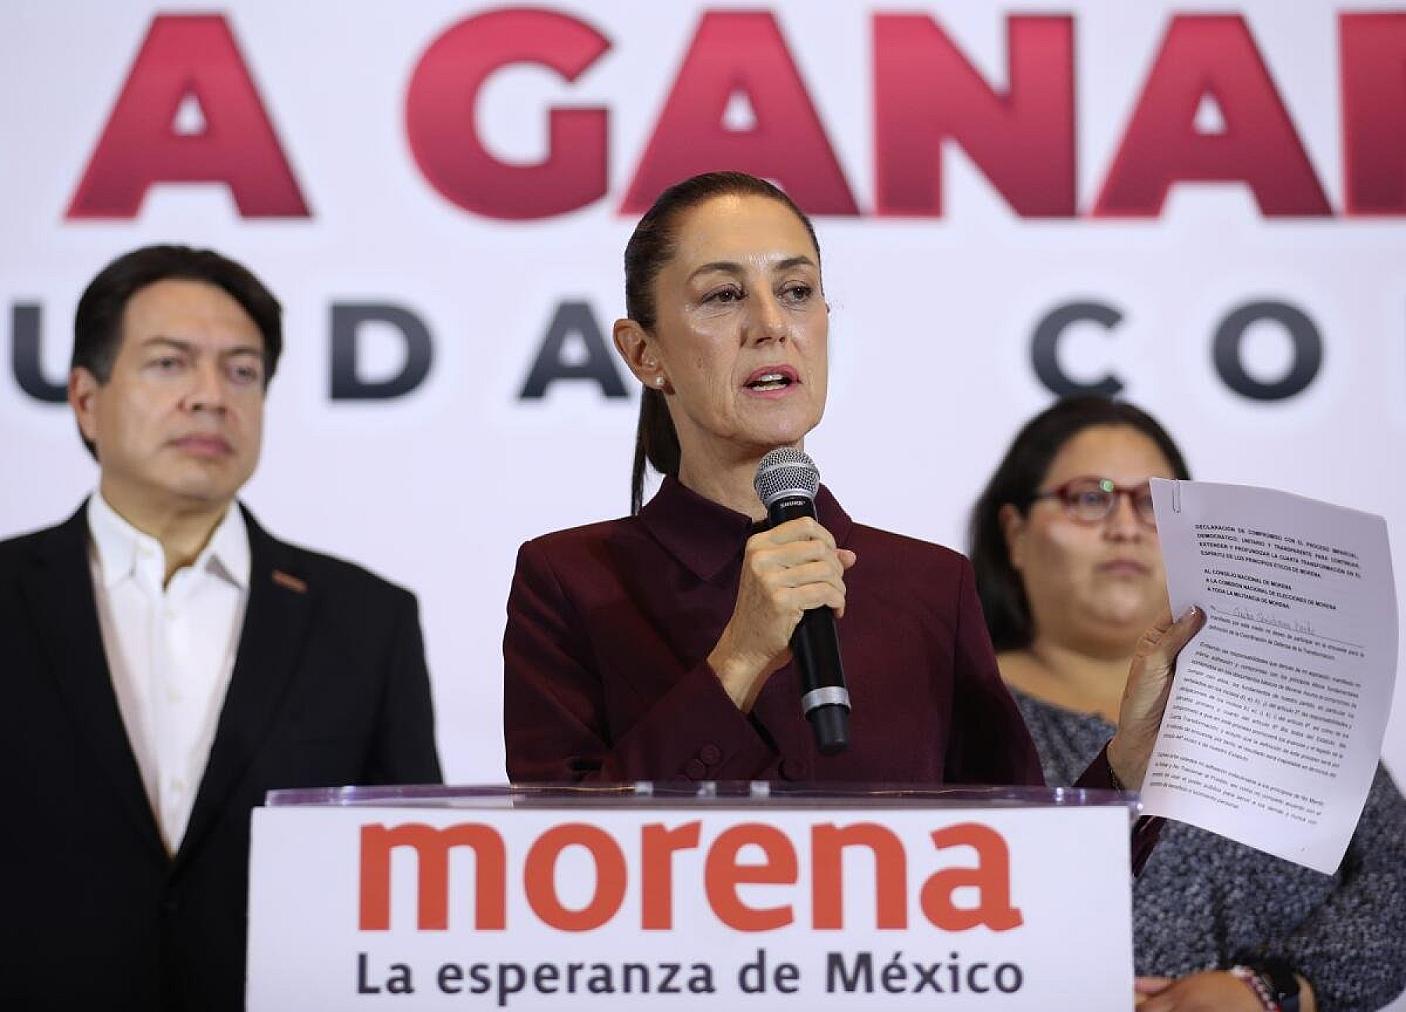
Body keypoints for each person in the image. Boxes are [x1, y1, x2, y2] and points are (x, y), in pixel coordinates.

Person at [503, 171, 1199, 810]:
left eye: (796, 291)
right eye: (723, 296)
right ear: (643, 352)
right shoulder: (569, 581)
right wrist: (738, 660)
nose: (772, 325)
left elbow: (1018, 870)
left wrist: (1125, 768)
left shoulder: (931, 588)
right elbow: (559, 861)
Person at [0, 245, 442, 1012]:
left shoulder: (366, 619)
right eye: (169, 364)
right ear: (86, 399)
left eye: (241, 372)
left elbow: (411, 876)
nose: (211, 397)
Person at [968, 395, 1406, 1012]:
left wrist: (1273, 989)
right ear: (1015, 533)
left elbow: (1395, 873)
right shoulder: (959, 703)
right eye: (1090, 498)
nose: (1125, 527)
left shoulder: (1277, 690)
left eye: (1153, 503)